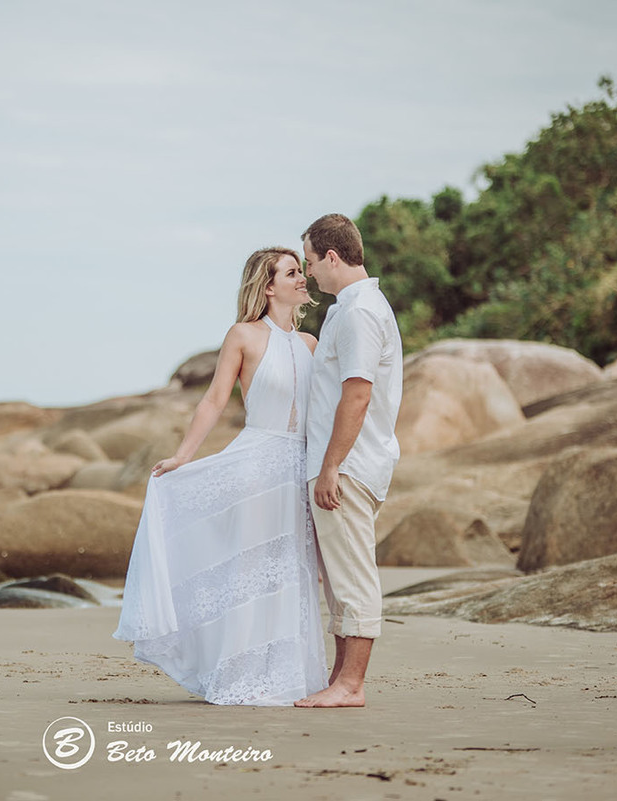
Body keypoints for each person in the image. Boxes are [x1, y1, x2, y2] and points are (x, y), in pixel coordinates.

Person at [112, 246, 328, 705]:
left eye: (300, 271)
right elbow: (213, 400)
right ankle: (238, 672)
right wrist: (183, 457)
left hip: (298, 469)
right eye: (292, 273)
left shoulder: (311, 343)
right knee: (250, 567)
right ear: (268, 287)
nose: (301, 278)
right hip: (256, 464)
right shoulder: (244, 336)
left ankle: (287, 674)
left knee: (292, 571)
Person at [294, 213, 403, 709]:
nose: (309, 273)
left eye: (312, 262)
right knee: (340, 578)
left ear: (333, 257)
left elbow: (357, 394)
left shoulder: (360, 311)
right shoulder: (347, 307)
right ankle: (342, 678)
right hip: (340, 461)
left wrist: (332, 465)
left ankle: (351, 684)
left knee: (354, 574)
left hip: (349, 465)